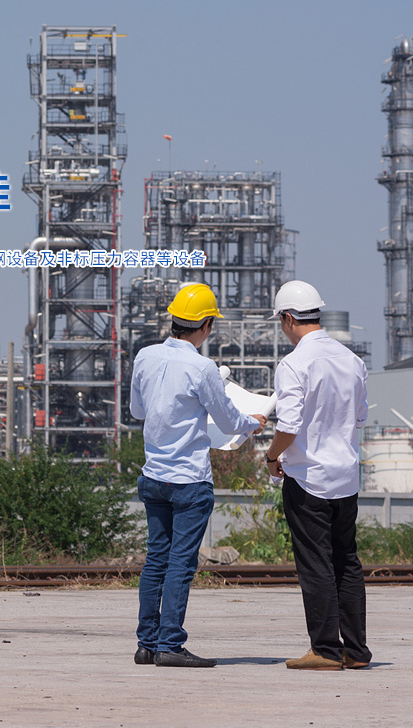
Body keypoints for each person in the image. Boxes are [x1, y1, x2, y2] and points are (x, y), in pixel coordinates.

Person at [131, 283, 266, 668]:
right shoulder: (203, 367)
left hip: (153, 476)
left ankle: (147, 644)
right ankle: (170, 645)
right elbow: (228, 421)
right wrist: (253, 422)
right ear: (206, 325)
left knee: (156, 558)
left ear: (174, 318)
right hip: (189, 480)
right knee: (180, 563)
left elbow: (138, 411)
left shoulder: (145, 356)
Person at [264, 280, 372, 671]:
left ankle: (325, 649)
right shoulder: (352, 360)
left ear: (287, 318)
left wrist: (271, 456)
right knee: (347, 561)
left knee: (316, 563)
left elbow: (289, 425)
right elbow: (359, 417)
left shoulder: (294, 364)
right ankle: (355, 651)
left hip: (308, 478)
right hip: (346, 477)